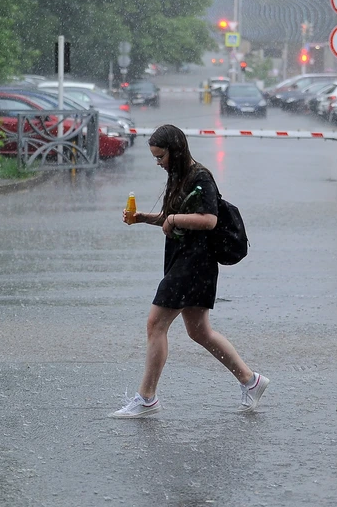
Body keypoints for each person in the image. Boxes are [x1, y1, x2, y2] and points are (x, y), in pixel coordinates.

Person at [110, 124, 268, 418]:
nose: (159, 163)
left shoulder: (201, 177)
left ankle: (146, 398)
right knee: (199, 331)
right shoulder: (179, 176)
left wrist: (172, 218)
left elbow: (208, 220)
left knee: (155, 325)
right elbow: (177, 218)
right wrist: (145, 218)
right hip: (185, 260)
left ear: (176, 151)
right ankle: (251, 381)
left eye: (161, 157)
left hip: (194, 263)